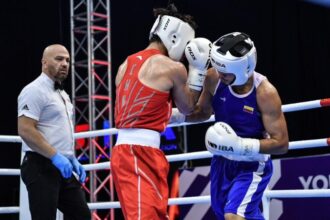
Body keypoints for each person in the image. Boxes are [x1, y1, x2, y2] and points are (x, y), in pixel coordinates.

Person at [171, 32, 289, 220]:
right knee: (228, 214)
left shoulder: (265, 93)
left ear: (243, 68)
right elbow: (203, 111)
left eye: (225, 72)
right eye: (218, 69)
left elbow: (281, 143)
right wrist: (174, 117)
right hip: (222, 161)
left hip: (252, 163)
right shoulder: (213, 78)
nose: (220, 75)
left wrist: (241, 145)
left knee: (233, 215)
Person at [111, 4, 211, 220]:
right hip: (137, 153)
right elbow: (188, 107)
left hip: (132, 150)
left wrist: (167, 115)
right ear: (176, 38)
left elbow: (139, 108)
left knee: (156, 215)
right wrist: (198, 70)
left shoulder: (125, 64)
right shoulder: (172, 68)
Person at [17, 44, 91, 220]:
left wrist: (70, 157)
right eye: (59, 59)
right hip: (40, 165)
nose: (65, 63)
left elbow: (57, 131)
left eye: (67, 60)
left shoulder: (62, 94)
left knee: (81, 216)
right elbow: (25, 129)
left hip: (61, 166)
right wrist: (55, 156)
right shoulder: (34, 90)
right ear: (44, 62)